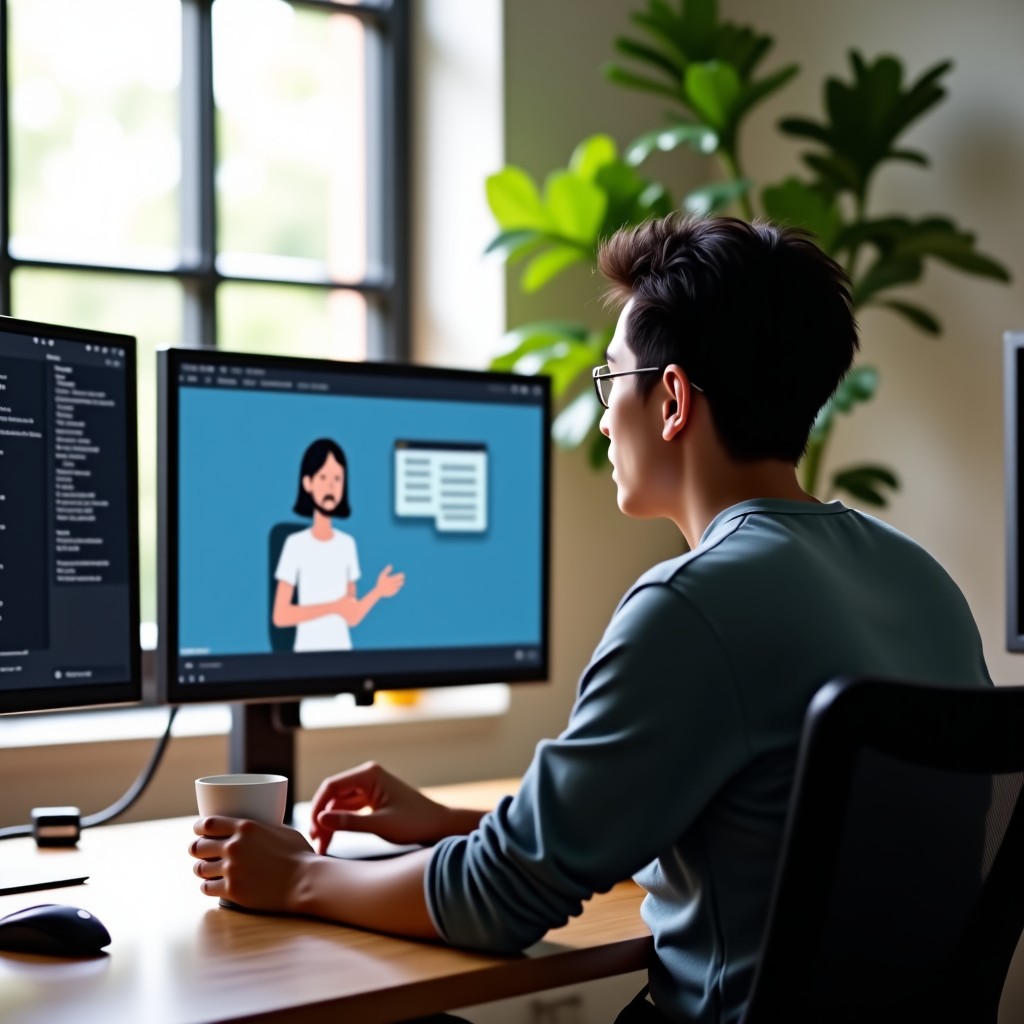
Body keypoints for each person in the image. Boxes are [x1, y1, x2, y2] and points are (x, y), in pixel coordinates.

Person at [191, 215, 992, 1023]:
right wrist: (455, 824)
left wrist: (293, 875)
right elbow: (754, 833)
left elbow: (498, 904)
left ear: (672, 398)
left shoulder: (690, 605)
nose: (605, 418)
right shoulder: (923, 580)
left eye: (612, 381)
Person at [272, 437, 404, 651]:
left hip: (342, 656)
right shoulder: (295, 545)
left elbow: (351, 616)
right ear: (308, 483)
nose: (331, 486)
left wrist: (378, 592)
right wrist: (333, 607)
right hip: (307, 660)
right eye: (323, 477)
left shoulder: (346, 545)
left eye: (337, 478)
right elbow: (281, 615)